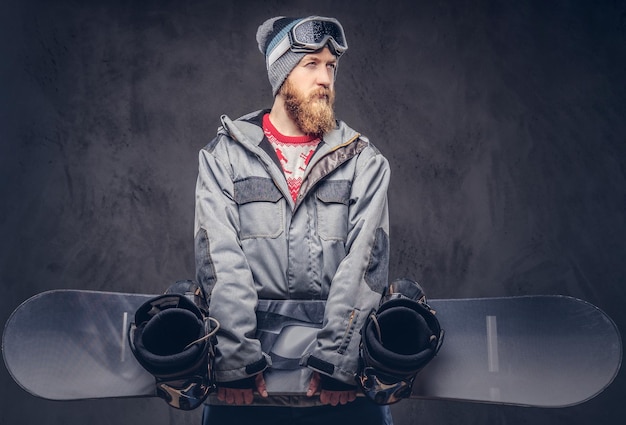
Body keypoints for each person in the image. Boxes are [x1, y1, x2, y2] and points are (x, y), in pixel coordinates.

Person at [194, 15, 393, 425]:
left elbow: (365, 264)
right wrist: (234, 360)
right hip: (246, 393)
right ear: (281, 75)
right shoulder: (224, 157)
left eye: (331, 67)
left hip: (340, 389)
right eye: (311, 65)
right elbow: (220, 262)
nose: (325, 78)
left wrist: (339, 362)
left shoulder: (363, 162)